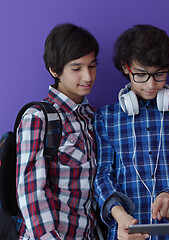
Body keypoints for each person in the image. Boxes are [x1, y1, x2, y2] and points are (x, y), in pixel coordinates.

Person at [94, 24, 169, 240]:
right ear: (126, 67)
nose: (151, 84)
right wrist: (119, 215)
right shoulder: (106, 118)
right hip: (128, 234)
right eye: (141, 75)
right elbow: (103, 175)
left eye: (159, 75)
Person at [16, 23, 99, 239]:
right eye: (76, 68)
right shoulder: (38, 117)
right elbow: (31, 191)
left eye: (92, 65)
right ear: (54, 70)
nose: (88, 76)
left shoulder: (92, 117)